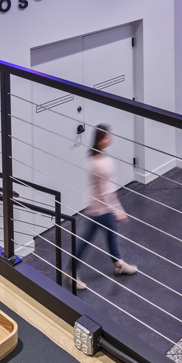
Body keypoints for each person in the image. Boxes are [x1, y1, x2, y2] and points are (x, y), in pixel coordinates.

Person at [73, 124, 137, 291]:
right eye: (107, 137)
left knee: (109, 235)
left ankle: (118, 265)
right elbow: (106, 193)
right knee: (89, 240)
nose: (110, 139)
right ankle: (72, 272)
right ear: (100, 141)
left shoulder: (97, 158)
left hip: (98, 207)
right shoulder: (99, 164)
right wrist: (118, 211)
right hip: (100, 210)